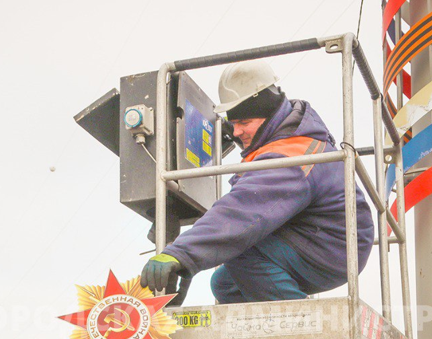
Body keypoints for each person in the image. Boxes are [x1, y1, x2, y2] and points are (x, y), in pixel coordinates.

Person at [141, 60, 374, 303]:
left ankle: (303, 323)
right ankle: (269, 335)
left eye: (245, 123)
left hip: (332, 247)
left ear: (269, 114)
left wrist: (180, 253)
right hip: (316, 240)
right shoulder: (286, 140)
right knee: (225, 283)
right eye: (234, 124)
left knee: (242, 254)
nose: (237, 132)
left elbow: (242, 212)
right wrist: (188, 261)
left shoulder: (291, 154)